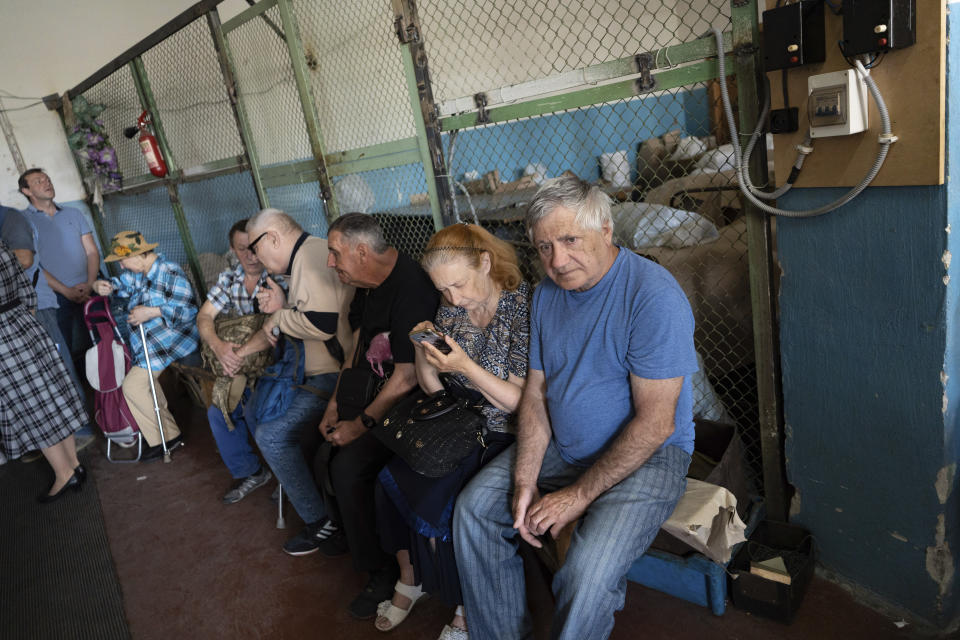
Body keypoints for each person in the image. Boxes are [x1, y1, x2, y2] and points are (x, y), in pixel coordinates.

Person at [453, 175, 698, 640]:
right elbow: (538, 395)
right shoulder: (547, 295)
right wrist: (525, 480)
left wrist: (576, 497)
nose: (558, 261)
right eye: (544, 247)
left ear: (606, 231)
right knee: (474, 511)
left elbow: (655, 424)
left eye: (570, 240)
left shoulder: (652, 295)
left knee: (587, 573)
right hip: (565, 446)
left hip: (648, 456)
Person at [373, 224, 529, 639]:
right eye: (444, 290)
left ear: (486, 261)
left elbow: (518, 403)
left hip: (504, 431)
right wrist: (425, 352)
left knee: (448, 497)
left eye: (458, 285)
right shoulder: (452, 310)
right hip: (460, 421)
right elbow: (433, 389)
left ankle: (467, 605)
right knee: (394, 474)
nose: (454, 298)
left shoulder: (519, 307)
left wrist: (464, 367)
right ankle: (413, 579)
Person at [317, 212, 439, 619]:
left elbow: (406, 377)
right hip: (373, 388)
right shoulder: (367, 284)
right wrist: (337, 402)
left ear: (362, 252)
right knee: (315, 445)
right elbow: (357, 347)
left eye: (335, 253)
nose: (331, 263)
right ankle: (351, 533)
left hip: (411, 401)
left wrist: (361, 424)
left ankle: (382, 571)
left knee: (350, 465)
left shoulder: (412, 287)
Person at [231, 208, 353, 549]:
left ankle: (321, 521)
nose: (257, 259)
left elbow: (322, 323)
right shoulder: (303, 257)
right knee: (254, 410)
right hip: (310, 372)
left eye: (256, 250)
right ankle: (292, 481)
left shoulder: (311, 255)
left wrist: (282, 316)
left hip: (331, 376)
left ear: (272, 238)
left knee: (271, 436)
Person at [92, 231, 199, 461]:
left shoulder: (169, 272)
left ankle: (167, 438)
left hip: (172, 340)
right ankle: (167, 434)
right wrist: (101, 285)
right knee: (148, 385)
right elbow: (119, 284)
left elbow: (189, 311)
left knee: (133, 386)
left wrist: (152, 312)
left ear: (140, 254)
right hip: (150, 344)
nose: (121, 265)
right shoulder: (139, 273)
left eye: (123, 259)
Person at [197, 219, 284, 504]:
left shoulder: (277, 277)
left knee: (260, 412)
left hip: (274, 363)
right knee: (218, 411)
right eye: (243, 249)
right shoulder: (229, 279)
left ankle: (289, 476)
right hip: (239, 363)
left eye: (255, 247)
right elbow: (204, 317)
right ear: (233, 250)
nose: (250, 255)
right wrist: (219, 346)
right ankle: (251, 472)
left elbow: (275, 326)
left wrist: (236, 353)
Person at [1, 205, 96, 452]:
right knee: (34, 380)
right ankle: (47, 441)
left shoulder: (9, 219)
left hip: (34, 307)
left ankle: (79, 429)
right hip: (14, 316)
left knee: (58, 366)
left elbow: (25, 259)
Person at [0, 240, 88, 502]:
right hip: (24, 323)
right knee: (51, 394)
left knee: (32, 406)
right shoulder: (2, 246)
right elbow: (26, 288)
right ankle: (73, 463)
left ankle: (64, 473)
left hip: (3, 339)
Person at [19, 169, 100, 368]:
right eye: (38, 181)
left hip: (90, 286)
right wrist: (66, 291)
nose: (47, 183)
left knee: (104, 342)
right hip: (55, 296)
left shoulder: (73, 213)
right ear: (27, 191)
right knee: (62, 352)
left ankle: (113, 392)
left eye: (47, 179)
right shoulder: (23, 222)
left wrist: (90, 284)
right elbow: (33, 265)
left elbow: (91, 251)